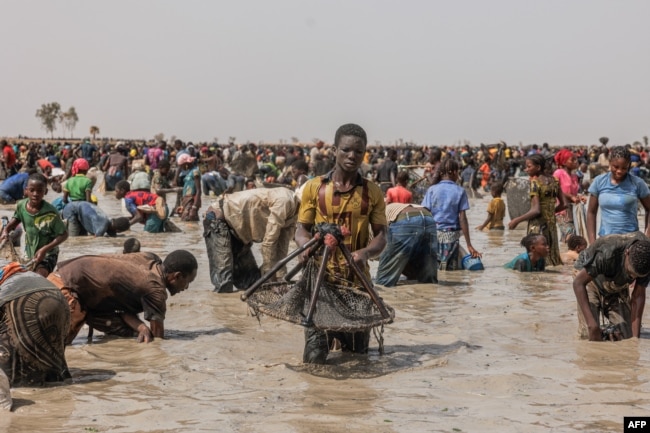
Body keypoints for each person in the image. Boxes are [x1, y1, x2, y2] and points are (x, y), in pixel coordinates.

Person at [295, 123, 387, 364]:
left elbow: (381, 236)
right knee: (314, 362)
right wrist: (304, 247)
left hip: (357, 287)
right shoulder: (314, 188)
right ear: (334, 150)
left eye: (359, 151)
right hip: (319, 287)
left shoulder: (372, 192)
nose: (352, 156)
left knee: (358, 360)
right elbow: (301, 230)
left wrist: (365, 253)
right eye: (346, 150)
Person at [47, 250, 198, 344]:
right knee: (55, 348)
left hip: (59, 278)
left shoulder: (150, 259)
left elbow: (121, 307)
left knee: (129, 330)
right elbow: (158, 340)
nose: (186, 288)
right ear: (176, 276)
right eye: (188, 282)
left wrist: (141, 327)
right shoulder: (156, 289)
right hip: (66, 290)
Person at [203, 187, 299, 293]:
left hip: (239, 232)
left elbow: (281, 248)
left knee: (251, 282)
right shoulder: (285, 201)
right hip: (219, 219)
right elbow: (269, 242)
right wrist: (269, 275)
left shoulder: (294, 214)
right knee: (224, 284)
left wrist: (281, 276)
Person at [0, 260, 71, 386]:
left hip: (24, 298)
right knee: (52, 360)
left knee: (12, 366)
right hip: (57, 295)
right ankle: (59, 390)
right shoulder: (5, 264)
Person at [573, 232, 650, 341]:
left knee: (625, 336)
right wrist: (592, 326)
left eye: (635, 276)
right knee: (588, 335)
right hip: (589, 278)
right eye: (631, 272)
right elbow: (578, 283)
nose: (632, 277)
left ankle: (607, 332)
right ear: (627, 253)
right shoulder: (608, 252)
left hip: (616, 285)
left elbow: (638, 297)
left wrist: (635, 340)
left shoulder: (646, 258)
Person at [0, 173, 68, 277]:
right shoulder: (21, 205)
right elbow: (16, 219)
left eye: (39, 191)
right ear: (25, 191)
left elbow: (64, 235)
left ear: (45, 192)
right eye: (32, 190)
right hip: (30, 252)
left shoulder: (51, 212)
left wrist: (44, 249)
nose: (35, 194)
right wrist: (6, 230)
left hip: (48, 254)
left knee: (39, 276)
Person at [421, 158, 481, 270]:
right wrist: (469, 245)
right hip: (451, 237)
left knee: (436, 269)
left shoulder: (432, 190)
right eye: (457, 172)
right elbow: (463, 218)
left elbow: (425, 214)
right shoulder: (460, 191)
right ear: (454, 172)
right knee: (451, 271)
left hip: (433, 235)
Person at [508, 154, 566, 266]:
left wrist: (516, 220)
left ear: (538, 167)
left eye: (529, 167)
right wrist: (549, 214)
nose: (526, 169)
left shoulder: (535, 182)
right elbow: (564, 204)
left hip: (537, 227)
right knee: (552, 259)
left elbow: (536, 210)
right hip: (551, 226)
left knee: (535, 260)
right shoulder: (555, 180)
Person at [586, 146, 650, 245]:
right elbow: (591, 212)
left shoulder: (637, 183)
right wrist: (592, 243)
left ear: (629, 165)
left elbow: (649, 208)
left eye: (624, 168)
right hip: (606, 241)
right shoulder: (599, 182)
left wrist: (647, 237)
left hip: (631, 241)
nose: (619, 171)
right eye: (616, 167)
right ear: (610, 162)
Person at [375, 203, 437, 286]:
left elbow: (375, 246)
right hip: (429, 218)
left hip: (405, 219)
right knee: (427, 277)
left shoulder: (373, 218)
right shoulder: (387, 208)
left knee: (384, 282)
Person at [553, 149, 583, 242]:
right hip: (561, 211)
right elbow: (555, 190)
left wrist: (579, 197)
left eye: (576, 159)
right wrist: (570, 196)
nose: (576, 162)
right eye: (572, 160)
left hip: (571, 210)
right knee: (570, 235)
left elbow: (574, 193)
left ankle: (564, 253)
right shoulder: (558, 173)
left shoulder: (574, 176)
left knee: (566, 237)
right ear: (564, 162)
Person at [62, 201, 131, 237]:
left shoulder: (107, 220)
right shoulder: (102, 226)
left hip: (79, 209)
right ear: (118, 230)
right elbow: (96, 239)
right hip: (71, 210)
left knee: (82, 236)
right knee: (73, 238)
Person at [175, 153, 201, 221]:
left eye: (181, 166)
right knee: (189, 221)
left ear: (186, 164)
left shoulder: (195, 172)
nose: (181, 168)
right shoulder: (190, 172)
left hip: (191, 201)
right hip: (187, 200)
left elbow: (198, 190)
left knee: (188, 221)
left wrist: (194, 207)